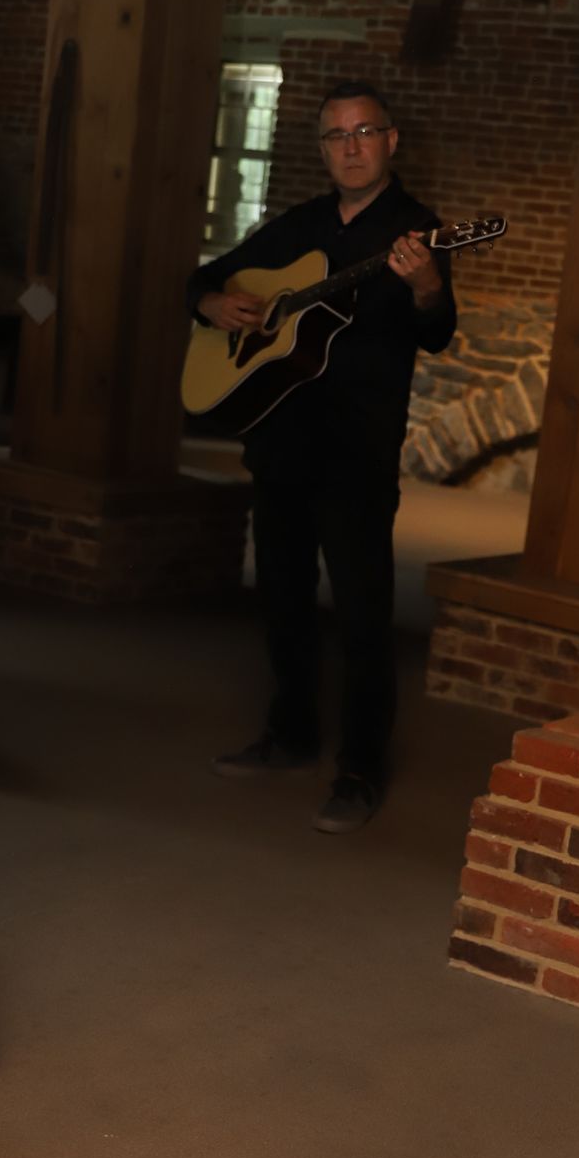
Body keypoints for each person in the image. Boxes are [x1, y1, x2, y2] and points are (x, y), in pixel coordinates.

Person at [187, 80, 456, 833]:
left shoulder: (416, 231)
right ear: (322, 149)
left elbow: (436, 332)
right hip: (281, 440)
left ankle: (361, 770)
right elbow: (205, 279)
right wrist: (212, 305)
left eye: (364, 132)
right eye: (336, 135)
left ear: (390, 141)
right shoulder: (299, 225)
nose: (351, 147)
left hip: (357, 448)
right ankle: (292, 734)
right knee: (282, 596)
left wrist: (427, 287)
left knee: (364, 613)